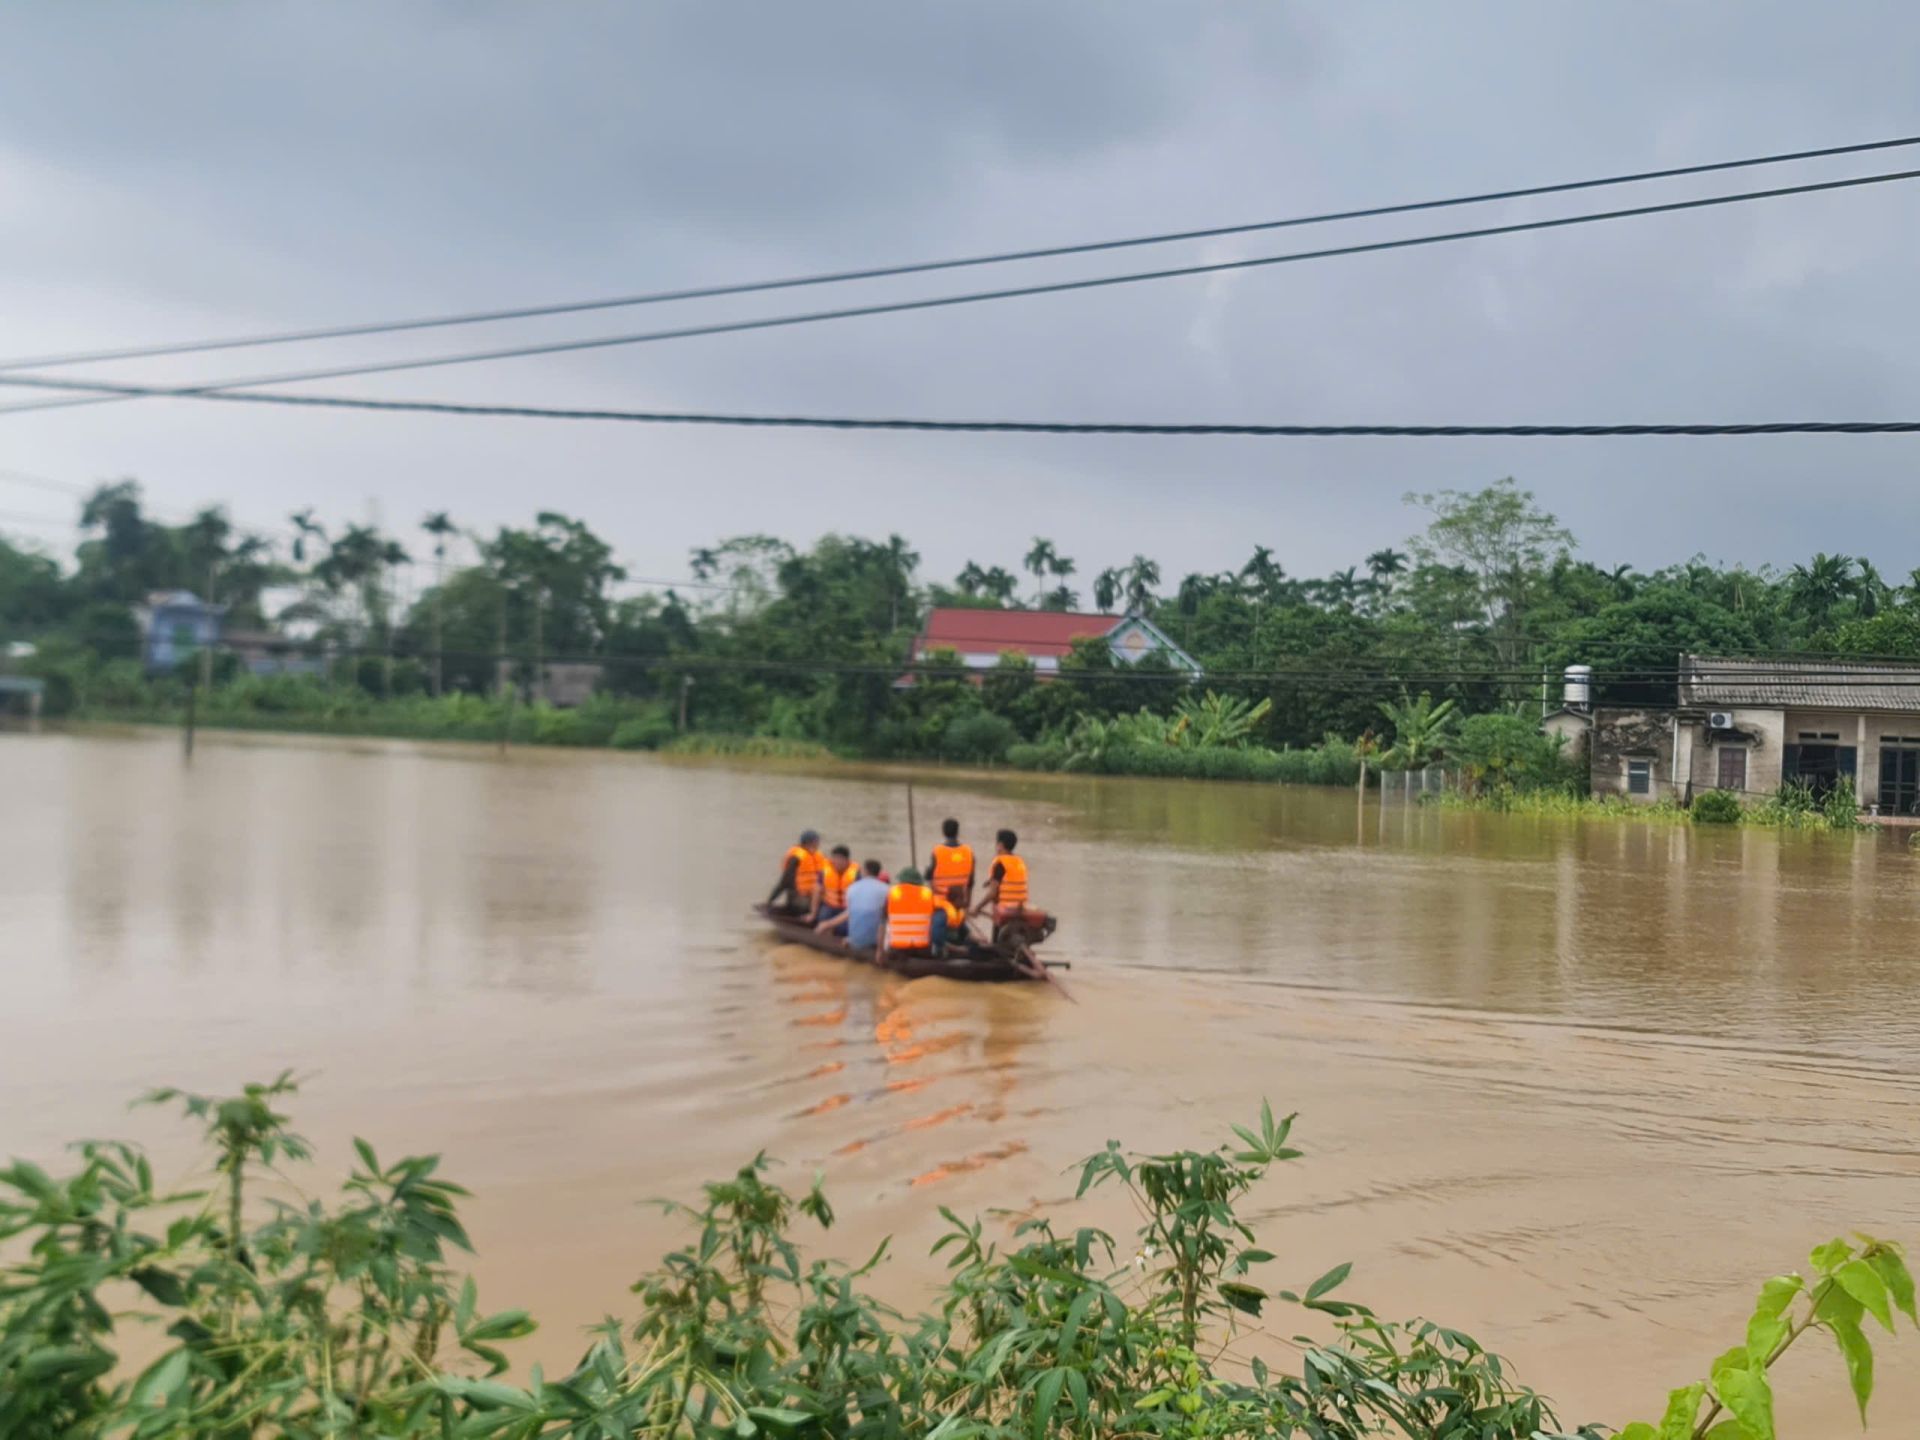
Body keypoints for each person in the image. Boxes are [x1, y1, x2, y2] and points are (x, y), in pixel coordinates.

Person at [818, 858, 890, 950]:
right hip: (878, 940)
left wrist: (827, 924)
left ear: (865, 871)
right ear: (878, 873)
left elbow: (849, 913)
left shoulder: (852, 888)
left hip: (855, 941)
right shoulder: (888, 890)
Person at [976, 828, 1031, 929]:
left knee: (998, 942)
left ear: (1000, 844)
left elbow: (992, 894)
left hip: (1005, 910)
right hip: (1020, 908)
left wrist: (977, 908)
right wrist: (990, 881)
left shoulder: (1000, 863)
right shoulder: (1019, 861)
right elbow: (1011, 878)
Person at [881, 865, 937, 957]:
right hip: (923, 949)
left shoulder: (892, 892)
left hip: (898, 949)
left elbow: (882, 921)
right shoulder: (928, 893)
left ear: (902, 880)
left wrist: (880, 950)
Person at [768, 829, 824, 915]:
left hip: (814, 895)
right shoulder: (796, 858)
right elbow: (783, 882)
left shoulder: (818, 856)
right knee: (810, 906)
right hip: (798, 897)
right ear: (808, 842)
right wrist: (770, 901)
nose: (818, 844)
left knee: (829, 904)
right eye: (816, 841)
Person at [927, 817, 975, 913]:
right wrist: (967, 903)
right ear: (958, 832)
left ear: (943, 832)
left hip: (940, 903)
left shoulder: (937, 851)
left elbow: (929, 878)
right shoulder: (968, 852)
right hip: (959, 903)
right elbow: (971, 881)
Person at [813, 845, 857, 928]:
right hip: (829, 905)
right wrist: (813, 913)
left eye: (840, 859)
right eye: (835, 858)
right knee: (822, 918)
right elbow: (817, 892)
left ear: (847, 860)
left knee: (844, 927)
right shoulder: (824, 872)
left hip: (847, 908)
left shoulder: (856, 874)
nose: (837, 862)